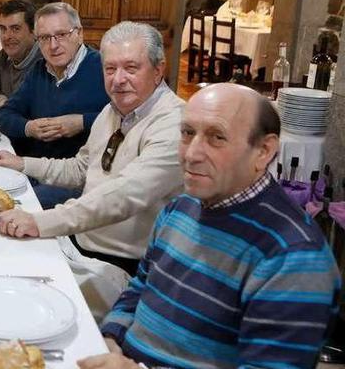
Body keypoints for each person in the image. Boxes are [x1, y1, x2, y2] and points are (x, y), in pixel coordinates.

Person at [81, 83, 339, 369]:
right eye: (187, 133)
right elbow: (141, 287)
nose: (191, 154)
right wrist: (111, 338)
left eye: (216, 137)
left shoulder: (295, 258)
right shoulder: (181, 207)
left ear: (264, 151)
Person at [0, 21, 184, 277]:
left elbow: (122, 196)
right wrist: (22, 163)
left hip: (122, 267)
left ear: (158, 70)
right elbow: (81, 168)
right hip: (79, 244)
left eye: (131, 68)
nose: (119, 79)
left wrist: (40, 221)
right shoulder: (113, 110)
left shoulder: (174, 123)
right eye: (110, 69)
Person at [0, 2, 108, 160]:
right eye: (45, 38)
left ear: (80, 34)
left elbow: (128, 120)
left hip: (80, 176)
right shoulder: (39, 70)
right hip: (32, 167)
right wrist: (29, 127)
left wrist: (82, 122)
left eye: (61, 35)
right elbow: (4, 115)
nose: (53, 46)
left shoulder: (105, 68)